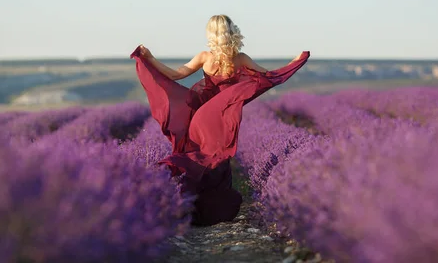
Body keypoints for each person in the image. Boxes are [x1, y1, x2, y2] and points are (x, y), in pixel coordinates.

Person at [130, 14, 310, 225]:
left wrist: (149, 59)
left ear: (211, 34)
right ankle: (212, 212)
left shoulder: (205, 57)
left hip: (201, 116)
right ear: (231, 32)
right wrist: (295, 62)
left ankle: (187, 204)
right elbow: (268, 77)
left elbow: (176, 75)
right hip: (220, 116)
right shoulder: (240, 59)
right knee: (217, 160)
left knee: (199, 155)